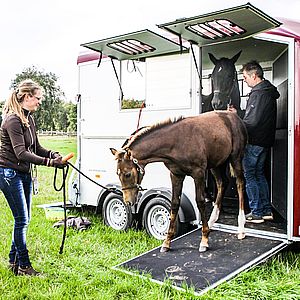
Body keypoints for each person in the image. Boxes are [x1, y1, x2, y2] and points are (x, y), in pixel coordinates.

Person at [0, 79, 67, 276]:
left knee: (23, 219)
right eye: (37, 98)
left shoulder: (28, 118)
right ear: (27, 97)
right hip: (9, 174)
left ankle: (13, 262)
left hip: (23, 174)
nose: (40, 102)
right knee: (22, 220)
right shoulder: (12, 120)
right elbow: (21, 153)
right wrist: (49, 163)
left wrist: (52, 154)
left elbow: (36, 148)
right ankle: (24, 266)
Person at [228, 60, 280, 224]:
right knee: (259, 174)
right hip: (265, 142)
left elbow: (253, 122)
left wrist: (236, 120)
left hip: (255, 141)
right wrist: (240, 112)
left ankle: (256, 212)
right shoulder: (267, 91)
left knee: (250, 175)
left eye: (245, 77)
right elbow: (255, 116)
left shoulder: (258, 94)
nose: (244, 81)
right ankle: (265, 210)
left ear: (254, 75)